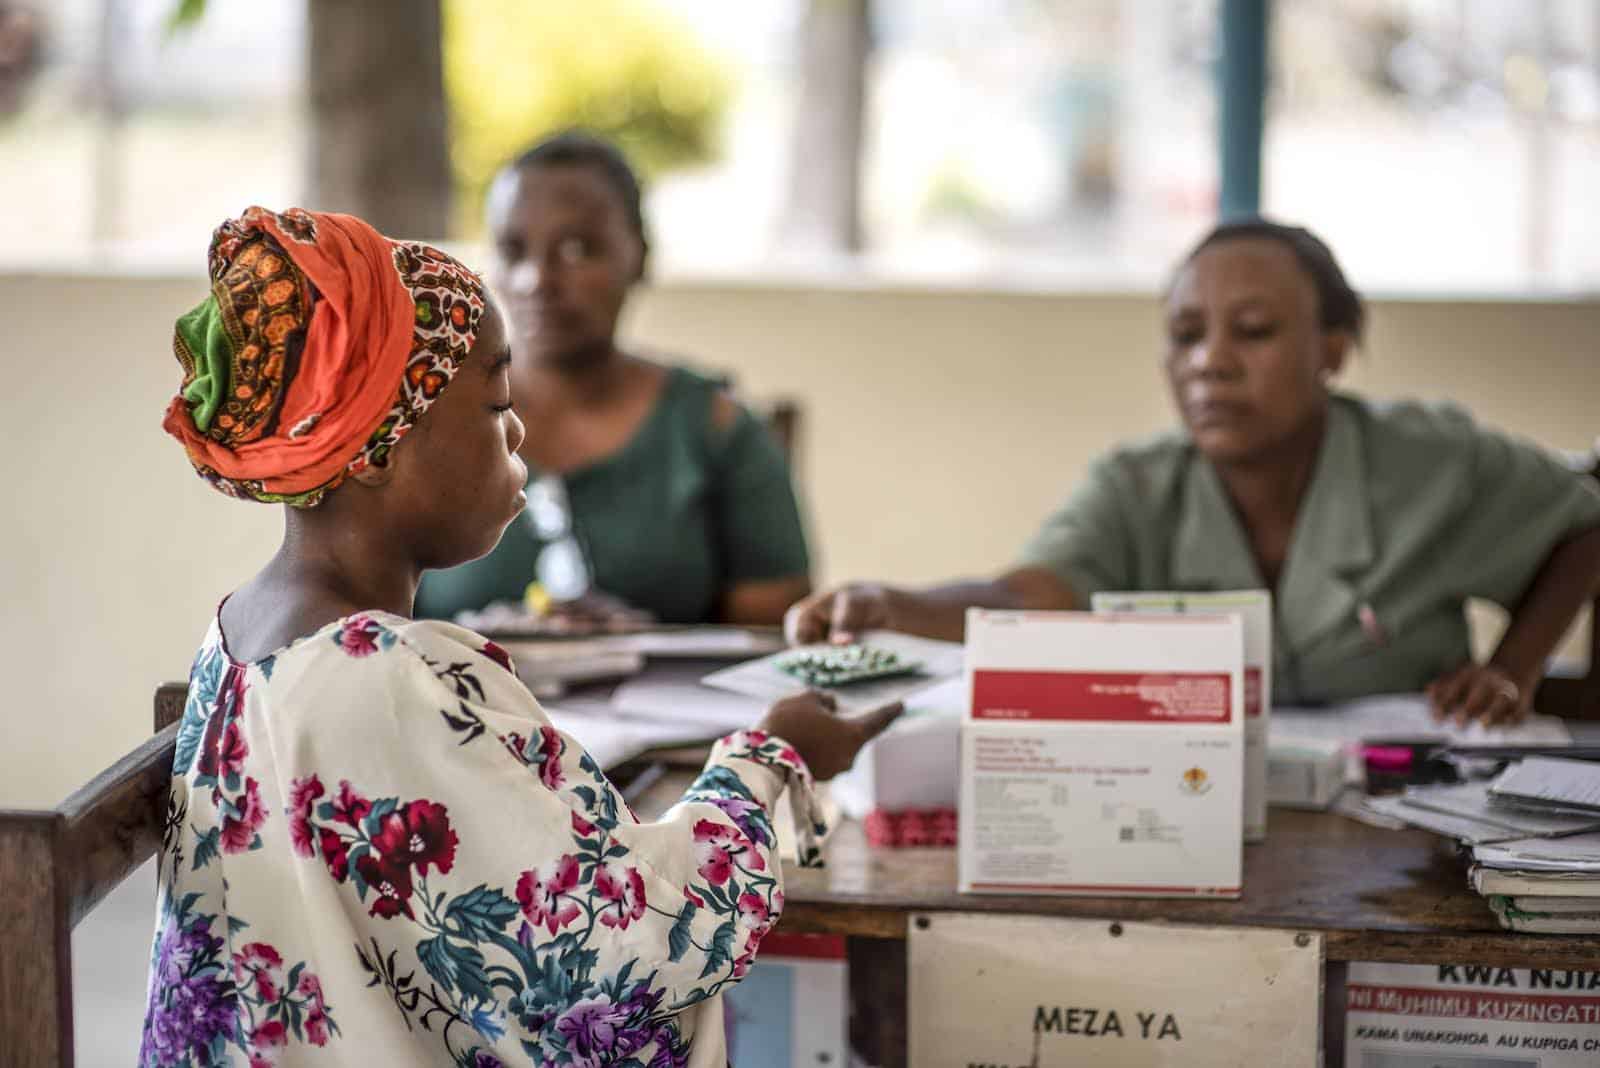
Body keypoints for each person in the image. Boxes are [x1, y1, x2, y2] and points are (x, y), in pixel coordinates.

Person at [142, 206, 898, 1067]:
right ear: (379, 447)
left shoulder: (237, 633)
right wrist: (770, 760)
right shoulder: (395, 677)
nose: (519, 430)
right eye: (496, 401)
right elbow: (629, 951)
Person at [787, 219, 1600, 726]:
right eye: (1184, 335)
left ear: (1332, 351)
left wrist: (1513, 667)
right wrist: (898, 605)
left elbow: (1583, 524)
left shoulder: (1431, 458)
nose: (1211, 363)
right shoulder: (1135, 486)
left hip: (1407, 815)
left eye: (1253, 331)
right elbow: (1024, 598)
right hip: (1197, 816)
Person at [416, 131, 810, 627]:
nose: (538, 278)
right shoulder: (424, 421)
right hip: (448, 705)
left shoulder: (714, 428)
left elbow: (773, 638)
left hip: (667, 704)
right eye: (514, 249)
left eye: (578, 249)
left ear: (640, 256)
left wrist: (639, 643)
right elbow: (361, 622)